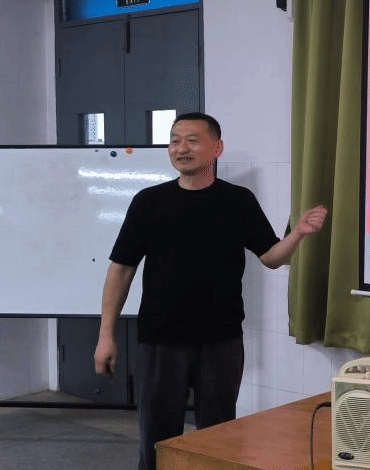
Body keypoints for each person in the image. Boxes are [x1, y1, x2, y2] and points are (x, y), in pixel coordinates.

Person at [92, 112, 327, 470]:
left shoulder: (238, 200)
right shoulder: (148, 202)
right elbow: (121, 269)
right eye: (174, 141)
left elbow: (271, 257)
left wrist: (297, 235)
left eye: (192, 140)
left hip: (221, 342)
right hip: (161, 341)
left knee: (218, 439)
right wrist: (105, 335)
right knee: (157, 441)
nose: (181, 148)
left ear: (217, 148)